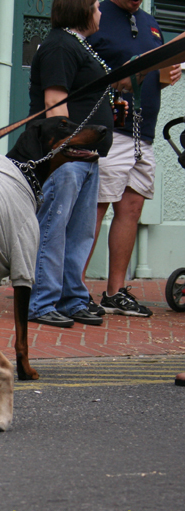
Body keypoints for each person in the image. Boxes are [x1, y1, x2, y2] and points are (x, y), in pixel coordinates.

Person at [83, 0, 182, 317]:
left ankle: (114, 292)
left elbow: (157, 75)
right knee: (95, 209)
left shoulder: (151, 23)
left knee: (131, 208)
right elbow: (81, 68)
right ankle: (75, 290)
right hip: (108, 129)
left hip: (144, 132)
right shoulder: (96, 14)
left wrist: (168, 74)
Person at [26, 0, 114, 328]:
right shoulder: (60, 45)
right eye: (95, 5)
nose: (100, 11)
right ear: (81, 10)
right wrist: (64, 150)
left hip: (86, 158)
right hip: (67, 158)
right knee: (53, 228)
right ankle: (42, 301)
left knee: (78, 233)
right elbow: (54, 100)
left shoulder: (78, 45)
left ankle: (72, 298)